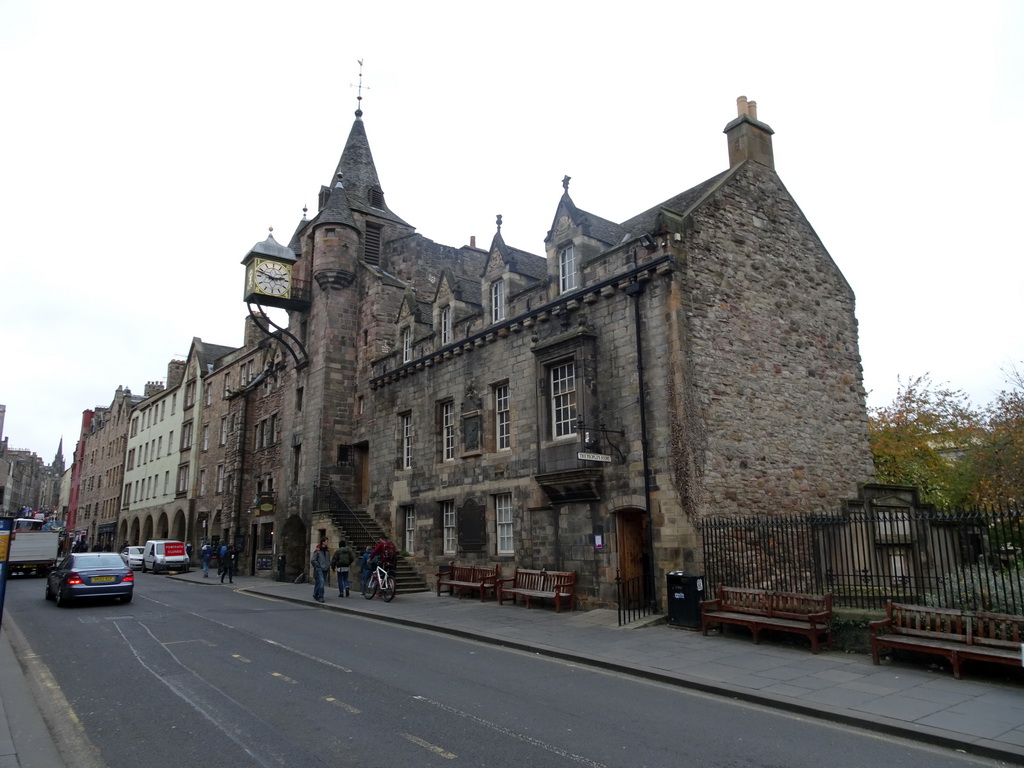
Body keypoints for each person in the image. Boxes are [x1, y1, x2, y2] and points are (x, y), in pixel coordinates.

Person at [310, 537, 331, 603]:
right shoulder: (318, 551)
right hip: (319, 569)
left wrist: (328, 565)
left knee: (319, 582)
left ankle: (315, 594)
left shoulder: (327, 551)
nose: (327, 542)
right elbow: (313, 560)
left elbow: (328, 560)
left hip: (325, 568)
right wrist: (318, 565)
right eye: (326, 541)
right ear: (323, 542)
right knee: (321, 582)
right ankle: (321, 596)